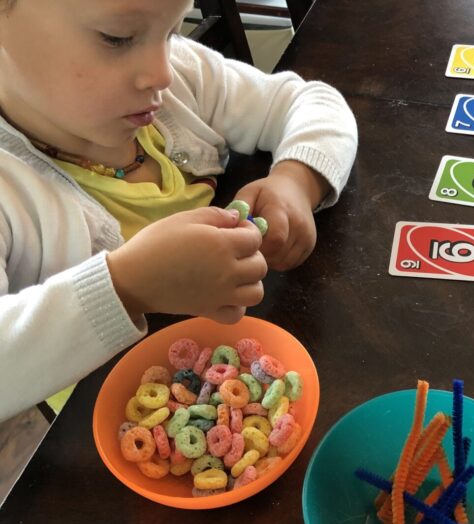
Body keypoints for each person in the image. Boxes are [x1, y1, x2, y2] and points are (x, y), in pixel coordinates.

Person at [0, 0, 358, 422]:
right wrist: (125, 288)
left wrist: (297, 180)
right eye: (117, 38)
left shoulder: (179, 80)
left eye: (172, 30)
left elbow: (309, 100)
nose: (162, 72)